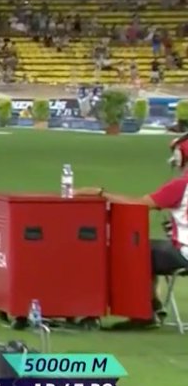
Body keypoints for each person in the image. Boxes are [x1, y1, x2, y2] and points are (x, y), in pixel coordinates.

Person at [74, 133, 188, 328]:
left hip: (184, 253)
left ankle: (144, 313)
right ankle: (152, 306)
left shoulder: (180, 185)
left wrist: (100, 193)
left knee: (136, 250)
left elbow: (138, 206)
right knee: (149, 249)